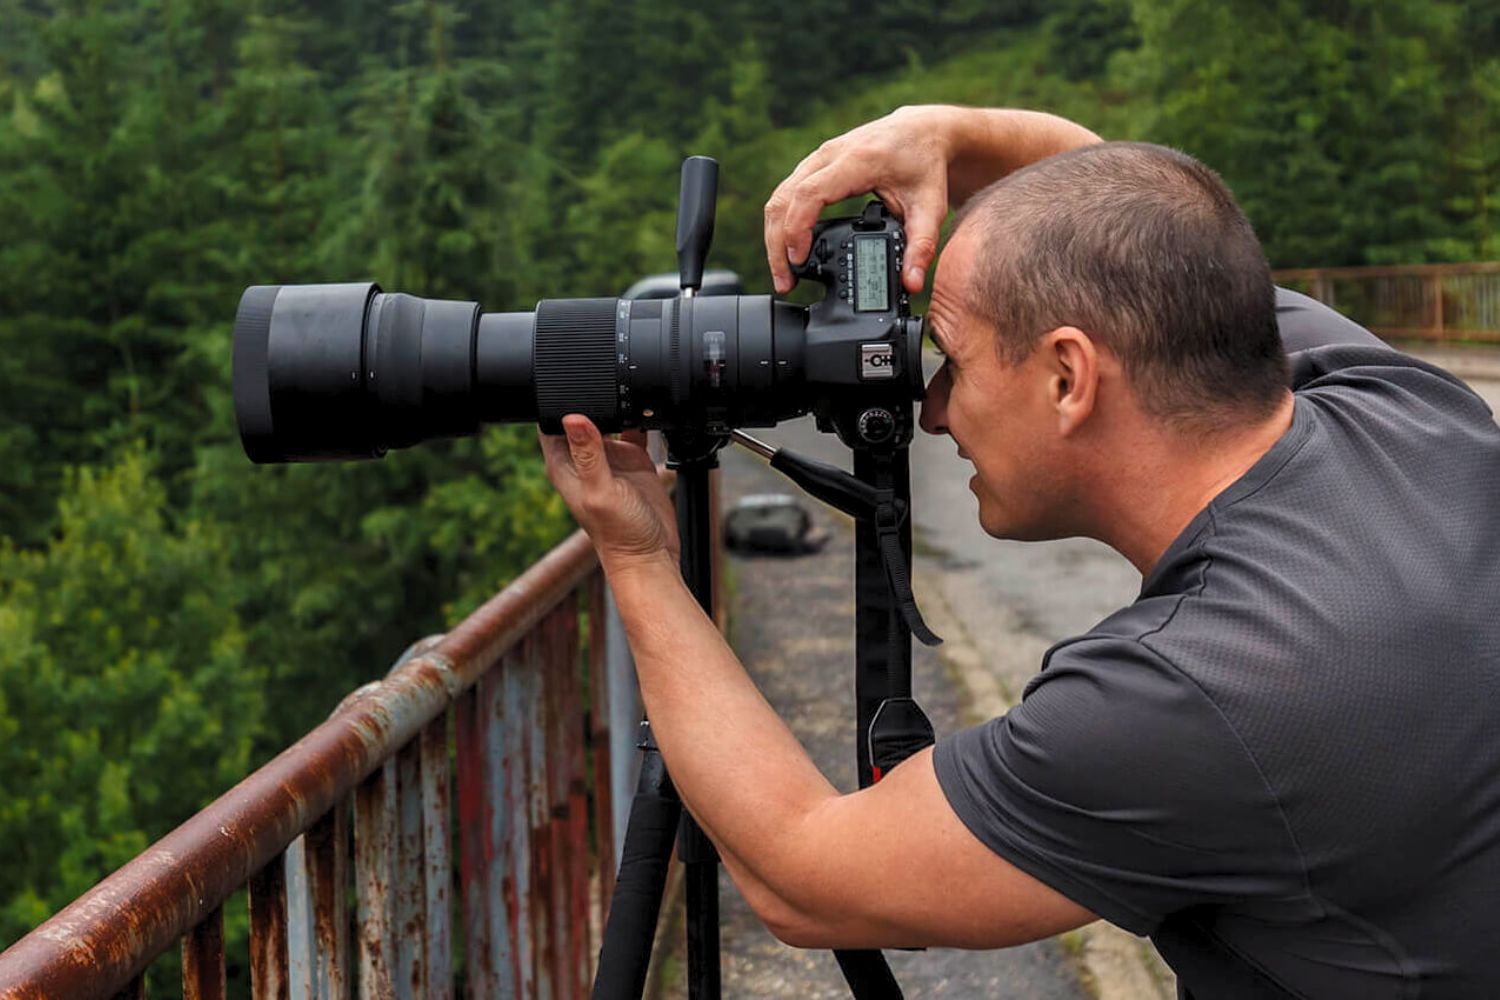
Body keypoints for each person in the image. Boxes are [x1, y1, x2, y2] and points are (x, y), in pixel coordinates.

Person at [540, 106, 1500, 998]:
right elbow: (1138, 218)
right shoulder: (1391, 406)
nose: (932, 408)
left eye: (953, 359)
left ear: (1068, 376)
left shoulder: (1198, 690)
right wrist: (945, 134)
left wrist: (637, 559)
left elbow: (803, 874)